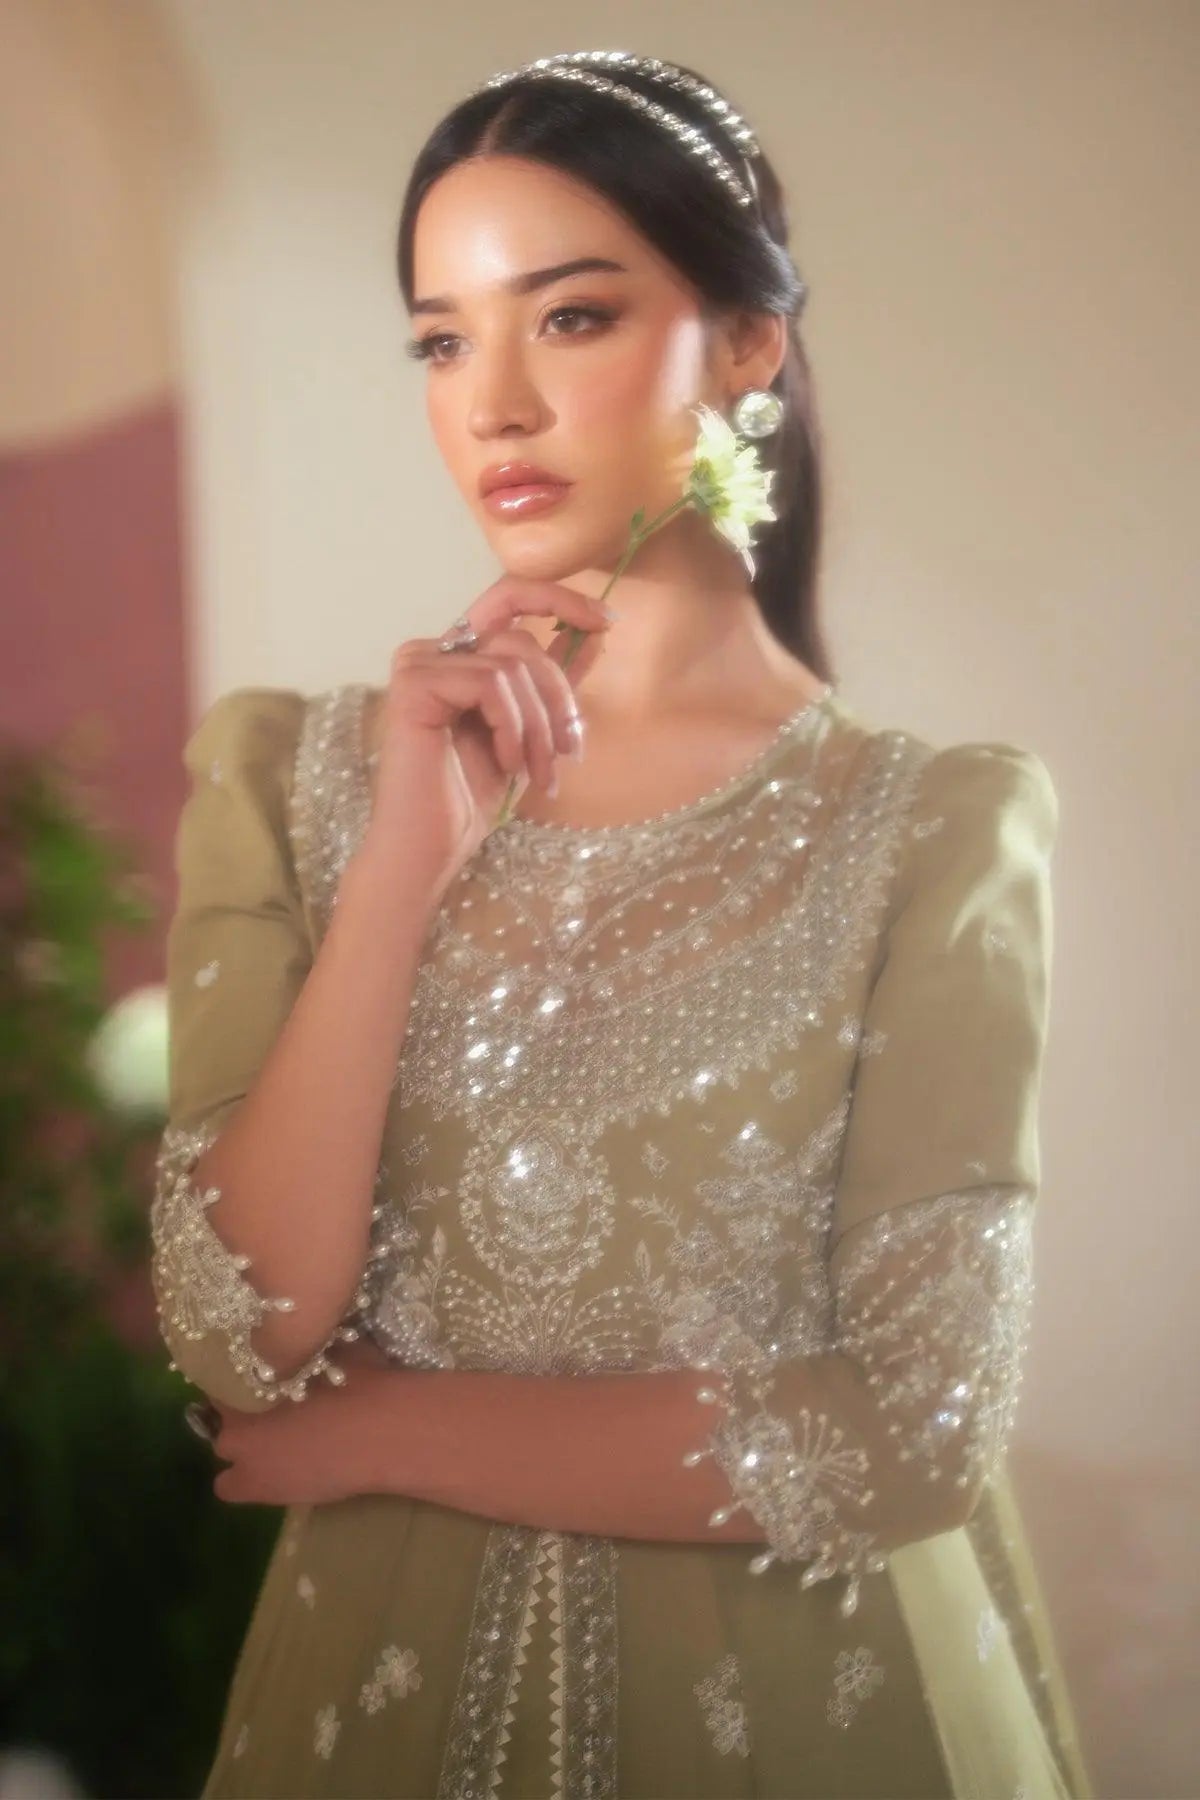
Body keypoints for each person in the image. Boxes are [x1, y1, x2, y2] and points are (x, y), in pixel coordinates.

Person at [149, 48, 1094, 1800]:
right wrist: (400, 873)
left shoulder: (930, 829)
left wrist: (390, 1429)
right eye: (443, 342)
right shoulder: (290, 777)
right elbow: (238, 1333)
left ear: (748, 343)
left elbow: (915, 1428)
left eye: (569, 318)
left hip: (809, 1712)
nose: (494, 405)